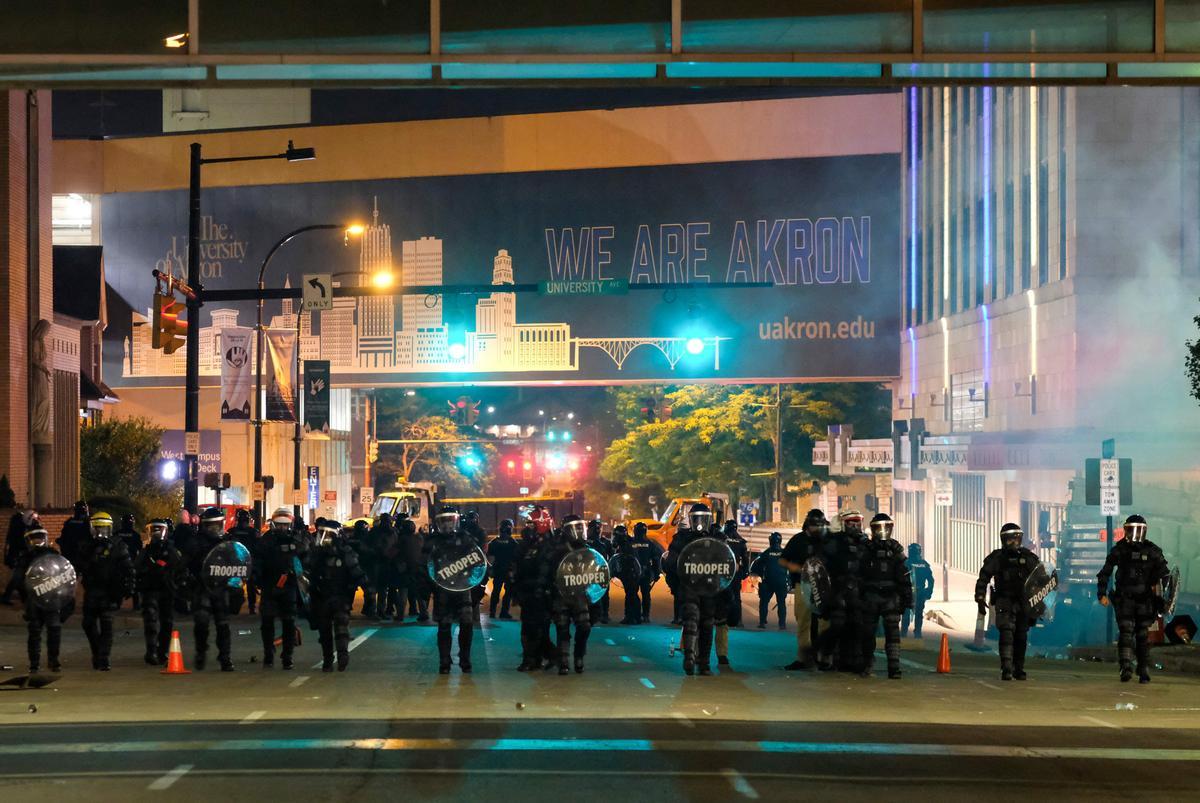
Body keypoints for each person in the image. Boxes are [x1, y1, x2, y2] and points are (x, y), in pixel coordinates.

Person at [1097, 514, 1172, 684]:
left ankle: (1143, 669)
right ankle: (1126, 666)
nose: (1135, 533)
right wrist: (1101, 593)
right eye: (1132, 529)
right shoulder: (1120, 550)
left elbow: (1166, 577)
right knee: (1126, 632)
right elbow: (1105, 573)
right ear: (1126, 530)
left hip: (1145, 600)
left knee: (1142, 635)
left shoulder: (1152, 551)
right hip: (1125, 599)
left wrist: (1163, 598)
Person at [976, 522, 1043, 681]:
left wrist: (1040, 601)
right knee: (1006, 632)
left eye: (1017, 539)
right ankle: (1006, 667)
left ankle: (1018, 668)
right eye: (1010, 540)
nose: (1014, 543)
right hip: (1004, 599)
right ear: (1003, 540)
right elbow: (983, 577)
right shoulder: (998, 558)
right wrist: (980, 597)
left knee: (1021, 635)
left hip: (1023, 602)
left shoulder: (1028, 557)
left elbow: (1041, 578)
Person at [183, 507, 243, 671]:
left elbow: (239, 562)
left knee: (223, 623)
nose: (216, 529)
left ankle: (225, 657)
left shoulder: (228, 542)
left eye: (219, 525)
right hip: (202, 586)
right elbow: (186, 564)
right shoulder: (195, 542)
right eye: (212, 525)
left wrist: (236, 582)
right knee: (201, 622)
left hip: (222, 587)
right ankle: (201, 653)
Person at [424, 505, 482, 674]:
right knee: (444, 627)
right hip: (442, 590)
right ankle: (444, 661)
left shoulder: (465, 538)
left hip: (463, 589)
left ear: (456, 521)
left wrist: (477, 586)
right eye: (444, 521)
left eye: (450, 521)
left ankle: (465, 659)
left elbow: (478, 562)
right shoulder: (432, 541)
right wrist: (427, 588)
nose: (447, 525)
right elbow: (424, 567)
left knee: (467, 625)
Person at [304, 519, 367, 672]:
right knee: (324, 630)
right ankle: (327, 659)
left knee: (341, 627)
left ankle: (342, 655)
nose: (323, 538)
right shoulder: (316, 554)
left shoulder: (346, 553)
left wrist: (369, 590)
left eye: (327, 535)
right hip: (321, 596)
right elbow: (306, 572)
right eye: (321, 534)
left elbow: (356, 571)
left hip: (340, 595)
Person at [665, 503, 720, 675]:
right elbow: (671, 564)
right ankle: (689, 657)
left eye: (703, 518)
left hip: (710, 587)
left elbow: (728, 563)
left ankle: (703, 662)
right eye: (696, 518)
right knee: (691, 619)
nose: (699, 522)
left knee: (707, 624)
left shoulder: (718, 537)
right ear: (690, 519)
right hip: (689, 586)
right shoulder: (681, 538)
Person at [857, 513, 911, 679]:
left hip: (890, 597)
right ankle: (867, 663)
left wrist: (907, 598)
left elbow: (904, 574)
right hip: (871, 596)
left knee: (893, 633)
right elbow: (858, 574)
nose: (882, 531)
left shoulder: (895, 549)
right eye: (879, 527)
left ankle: (894, 667)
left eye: (885, 526)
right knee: (868, 633)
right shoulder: (866, 548)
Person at [79, 512, 135, 671]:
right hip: (92, 590)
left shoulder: (118, 545)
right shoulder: (87, 545)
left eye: (104, 529)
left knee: (106, 624)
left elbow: (128, 568)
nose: (101, 532)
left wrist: (129, 586)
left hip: (110, 591)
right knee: (88, 624)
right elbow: (79, 565)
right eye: (97, 529)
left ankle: (103, 658)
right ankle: (97, 652)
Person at [16, 525, 74, 672]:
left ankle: (49, 662)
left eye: (39, 538)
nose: (38, 542)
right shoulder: (26, 557)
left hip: (49, 598)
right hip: (39, 599)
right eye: (34, 539)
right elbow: (18, 579)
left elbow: (63, 573)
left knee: (51, 630)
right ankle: (39, 663)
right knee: (39, 631)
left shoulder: (52, 554)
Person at [256, 508, 308, 670]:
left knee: (289, 622)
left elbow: (306, 559)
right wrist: (257, 579)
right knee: (267, 622)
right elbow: (257, 562)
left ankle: (287, 656)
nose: (282, 528)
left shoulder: (297, 541)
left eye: (285, 526)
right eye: (279, 525)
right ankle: (268, 655)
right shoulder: (265, 541)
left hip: (289, 586)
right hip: (270, 586)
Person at [542, 514, 594, 674]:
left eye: (580, 527)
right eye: (575, 527)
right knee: (562, 628)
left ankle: (579, 656)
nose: (579, 530)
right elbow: (547, 570)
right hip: (561, 594)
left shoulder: (588, 550)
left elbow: (596, 571)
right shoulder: (557, 550)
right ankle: (563, 660)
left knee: (584, 626)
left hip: (580, 594)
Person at [818, 509, 868, 673]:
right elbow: (821, 566)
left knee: (857, 626)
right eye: (851, 523)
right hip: (838, 589)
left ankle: (854, 661)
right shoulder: (834, 542)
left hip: (858, 590)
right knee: (837, 625)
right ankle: (826, 654)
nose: (855, 526)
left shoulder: (865, 543)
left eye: (857, 522)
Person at [780, 510, 828, 669]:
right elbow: (782, 560)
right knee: (803, 623)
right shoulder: (798, 540)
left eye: (820, 526)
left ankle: (824, 658)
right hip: (803, 585)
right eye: (815, 526)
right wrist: (793, 567)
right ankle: (803, 658)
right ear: (808, 524)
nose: (817, 529)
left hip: (823, 586)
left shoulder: (826, 540)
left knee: (824, 622)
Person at [135, 518, 185, 665]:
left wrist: (179, 583)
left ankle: (162, 651)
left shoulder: (171, 550)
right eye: (153, 530)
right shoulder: (145, 552)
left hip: (166, 590)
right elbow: (136, 568)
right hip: (149, 589)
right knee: (150, 621)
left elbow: (180, 568)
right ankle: (151, 651)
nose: (156, 533)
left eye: (159, 530)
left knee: (167, 622)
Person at [513, 515, 553, 671]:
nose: (529, 528)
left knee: (542, 627)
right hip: (528, 591)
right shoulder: (524, 545)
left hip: (543, 592)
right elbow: (517, 567)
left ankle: (547, 657)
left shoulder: (549, 545)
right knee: (529, 627)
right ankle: (531, 658)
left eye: (533, 525)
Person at [714, 520, 750, 668]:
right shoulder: (741, 541)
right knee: (735, 600)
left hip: (716, 582)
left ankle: (698, 655)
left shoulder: (718, 542)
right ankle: (737, 619)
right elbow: (745, 560)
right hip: (732, 579)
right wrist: (742, 574)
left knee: (708, 621)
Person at [751, 532, 790, 630]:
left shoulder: (766, 553)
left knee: (764, 602)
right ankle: (782, 624)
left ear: (770, 541)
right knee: (781, 603)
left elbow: (755, 565)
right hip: (781, 582)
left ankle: (762, 622)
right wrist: (789, 581)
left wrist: (760, 576)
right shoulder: (785, 553)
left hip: (768, 581)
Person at [627, 522, 662, 624]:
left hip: (633, 573)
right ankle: (645, 616)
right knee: (646, 594)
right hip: (646, 573)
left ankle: (634, 615)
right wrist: (656, 573)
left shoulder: (631, 543)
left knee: (632, 594)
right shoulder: (650, 544)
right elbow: (656, 559)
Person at [2, 509, 38, 605]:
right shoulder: (19, 528)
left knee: (20, 577)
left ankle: (21, 597)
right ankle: (7, 597)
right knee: (17, 577)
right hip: (19, 555)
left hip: (20, 555)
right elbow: (20, 542)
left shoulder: (20, 526)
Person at [228, 509, 260, 615]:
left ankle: (242, 606)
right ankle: (251, 607)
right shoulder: (252, 532)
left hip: (239, 561)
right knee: (250, 585)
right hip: (244, 561)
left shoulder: (232, 531)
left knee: (239, 584)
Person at [902, 543, 935, 638]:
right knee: (918, 613)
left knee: (906, 613)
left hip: (908, 592)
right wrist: (928, 592)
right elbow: (931, 580)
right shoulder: (924, 564)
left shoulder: (906, 563)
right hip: (920, 592)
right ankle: (917, 633)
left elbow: (899, 578)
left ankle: (904, 633)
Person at [487, 519, 517, 619]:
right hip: (508, 571)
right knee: (508, 593)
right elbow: (515, 559)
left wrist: (490, 570)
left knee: (496, 591)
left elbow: (490, 559)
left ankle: (492, 612)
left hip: (498, 570)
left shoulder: (494, 542)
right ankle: (504, 612)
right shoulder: (513, 543)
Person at [585, 519, 612, 624]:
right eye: (594, 528)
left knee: (604, 593)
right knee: (587, 592)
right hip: (588, 571)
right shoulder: (585, 541)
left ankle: (604, 614)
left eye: (598, 528)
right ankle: (589, 614)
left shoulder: (605, 542)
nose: (597, 530)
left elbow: (612, 556)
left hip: (602, 571)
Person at [57, 500, 92, 571]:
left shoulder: (69, 522)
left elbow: (63, 537)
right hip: (82, 556)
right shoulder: (88, 522)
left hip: (71, 555)